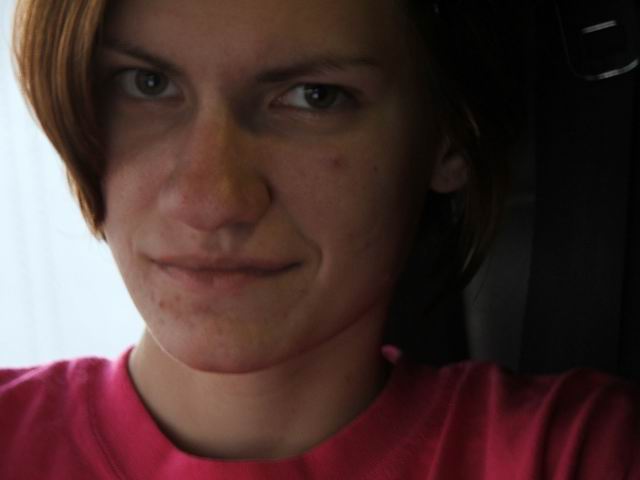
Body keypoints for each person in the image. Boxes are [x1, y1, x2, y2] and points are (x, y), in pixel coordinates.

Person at [1, 0, 638, 478]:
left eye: (315, 97)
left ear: (450, 136)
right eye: (146, 84)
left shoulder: (582, 454)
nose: (210, 201)